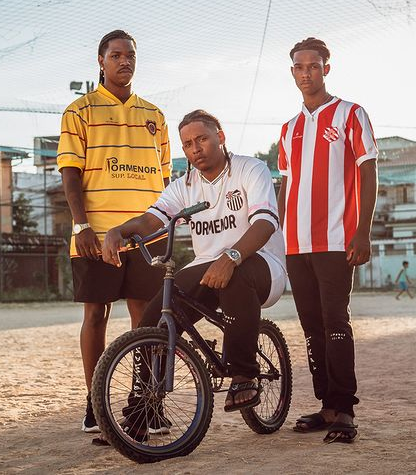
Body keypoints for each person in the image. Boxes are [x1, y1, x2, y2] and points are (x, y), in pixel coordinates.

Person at [101, 109, 287, 429]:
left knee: (235, 276)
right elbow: (151, 220)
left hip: (262, 263)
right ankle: (144, 407)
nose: (195, 148)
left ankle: (244, 374)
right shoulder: (183, 185)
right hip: (207, 266)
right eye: (187, 144)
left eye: (202, 139)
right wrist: (118, 231)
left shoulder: (249, 169)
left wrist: (230, 256)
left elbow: (266, 223)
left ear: (221, 137)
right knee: (153, 319)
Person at [56, 30, 171, 440]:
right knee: (96, 315)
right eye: (116, 55)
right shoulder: (79, 111)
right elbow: (70, 174)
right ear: (100, 61)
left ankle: (146, 402)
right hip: (96, 234)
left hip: (146, 237)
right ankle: (96, 402)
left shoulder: (155, 116)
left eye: (131, 55)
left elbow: (166, 180)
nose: (125, 61)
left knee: (145, 317)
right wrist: (81, 225)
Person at [278, 37, 378, 443]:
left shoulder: (351, 114)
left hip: (337, 240)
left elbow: (368, 173)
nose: (307, 73)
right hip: (296, 244)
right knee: (311, 326)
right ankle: (326, 406)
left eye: (314, 66)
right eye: (300, 67)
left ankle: (346, 411)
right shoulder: (289, 130)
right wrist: (279, 235)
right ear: (293, 73)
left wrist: (363, 230)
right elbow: (285, 188)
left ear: (326, 68)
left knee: (335, 322)